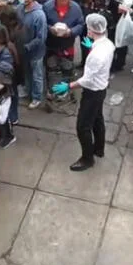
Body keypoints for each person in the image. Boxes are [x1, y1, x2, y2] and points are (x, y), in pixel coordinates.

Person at [51, 13, 114, 171]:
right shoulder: (107, 44)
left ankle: (87, 159)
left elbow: (86, 80)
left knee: (83, 126)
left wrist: (68, 86)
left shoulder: (96, 57)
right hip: (102, 88)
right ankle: (99, 149)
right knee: (98, 119)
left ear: (91, 30)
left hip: (92, 92)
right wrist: (90, 46)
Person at [43, 0, 84, 91]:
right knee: (51, 69)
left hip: (67, 46)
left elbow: (81, 25)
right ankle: (52, 90)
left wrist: (70, 31)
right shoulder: (47, 7)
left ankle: (64, 90)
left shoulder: (76, 8)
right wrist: (50, 29)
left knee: (67, 69)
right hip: (51, 45)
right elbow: (42, 23)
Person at [16, 0, 47, 109]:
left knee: (37, 75)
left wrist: (28, 46)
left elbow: (41, 37)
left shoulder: (39, 16)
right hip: (23, 50)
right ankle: (27, 90)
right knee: (26, 72)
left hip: (35, 52)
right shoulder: (20, 9)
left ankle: (36, 97)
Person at [0, 5, 24, 125]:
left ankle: (9, 116)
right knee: (14, 93)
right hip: (17, 67)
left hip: (10, 69)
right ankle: (13, 117)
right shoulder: (20, 27)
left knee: (9, 94)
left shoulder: (7, 36)